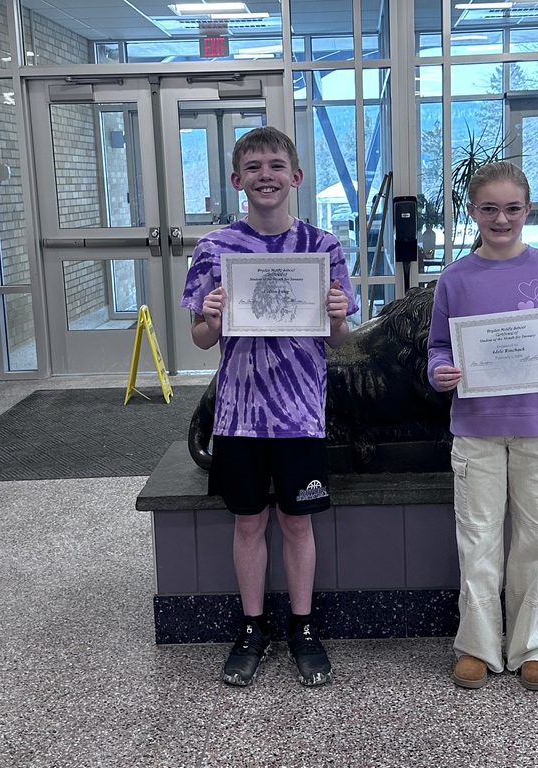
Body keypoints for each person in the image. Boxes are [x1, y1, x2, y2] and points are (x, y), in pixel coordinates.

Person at [181, 126, 358, 687]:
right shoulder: (214, 249)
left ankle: (303, 628)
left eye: (276, 165)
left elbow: (340, 340)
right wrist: (212, 318)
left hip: (301, 413)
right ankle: (252, 629)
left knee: (298, 524)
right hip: (240, 414)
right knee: (248, 522)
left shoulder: (323, 248)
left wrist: (336, 317)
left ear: (295, 176)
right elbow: (201, 340)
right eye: (254, 167)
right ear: (238, 180)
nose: (266, 175)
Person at [426, 162, 538, 692]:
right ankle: (477, 645)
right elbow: (439, 348)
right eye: (490, 209)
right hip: (476, 428)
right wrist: (440, 371)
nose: (501, 219)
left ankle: (533, 647)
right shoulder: (455, 279)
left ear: (527, 210)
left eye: (512, 208)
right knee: (477, 540)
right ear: (472, 211)